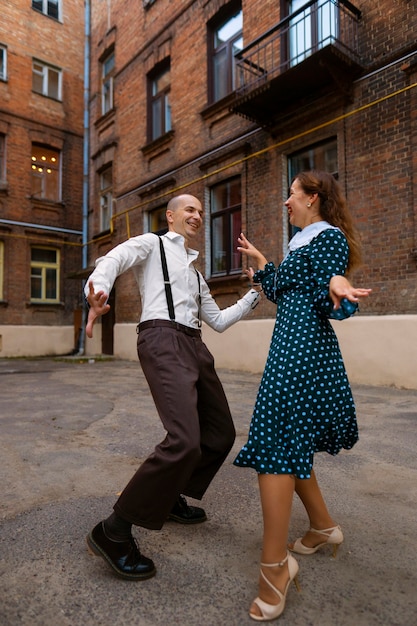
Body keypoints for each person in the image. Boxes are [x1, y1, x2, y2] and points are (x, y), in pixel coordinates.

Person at [83, 193, 262, 580]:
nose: (198, 215)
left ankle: (171, 497)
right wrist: (96, 292)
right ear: (171, 215)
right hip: (162, 339)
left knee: (220, 434)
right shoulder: (153, 244)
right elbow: (112, 259)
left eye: (201, 211)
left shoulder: (196, 275)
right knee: (183, 440)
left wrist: (252, 296)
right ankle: (113, 531)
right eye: (190, 209)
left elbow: (216, 319)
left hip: (195, 343)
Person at [233, 170, 371, 621]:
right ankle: (323, 527)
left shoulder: (326, 238)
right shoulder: (300, 243)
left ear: (312, 198)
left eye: (290, 194)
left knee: (275, 443)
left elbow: (332, 290)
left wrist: (337, 287)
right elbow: (279, 291)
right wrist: (262, 262)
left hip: (304, 350)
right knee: (290, 441)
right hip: (288, 346)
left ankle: (274, 568)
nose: (284, 202)